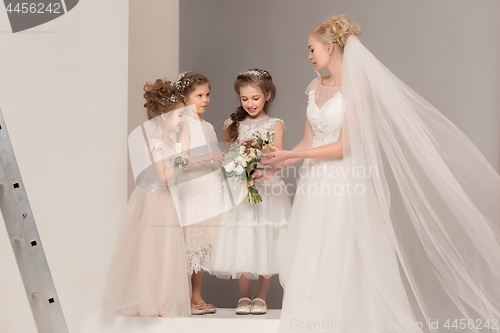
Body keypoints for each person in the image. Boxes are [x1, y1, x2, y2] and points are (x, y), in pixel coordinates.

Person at [257, 15, 500, 332]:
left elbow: (342, 147)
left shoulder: (360, 89)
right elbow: (307, 141)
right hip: (315, 183)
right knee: (315, 254)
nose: (309, 55)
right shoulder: (315, 87)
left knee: (341, 252)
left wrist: (294, 154)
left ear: (330, 47)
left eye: (312, 48)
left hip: (345, 181)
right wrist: (277, 163)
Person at [101, 78, 191, 317]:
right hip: (155, 201)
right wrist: (183, 154)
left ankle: (161, 301)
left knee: (165, 251)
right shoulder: (156, 143)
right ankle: (150, 302)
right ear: (164, 115)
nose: (182, 121)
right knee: (153, 250)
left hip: (166, 200)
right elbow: (164, 176)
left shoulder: (169, 141)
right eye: (179, 115)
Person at [211, 69, 291, 315]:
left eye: (255, 98)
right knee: (242, 237)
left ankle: (261, 296)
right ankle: (244, 296)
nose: (249, 104)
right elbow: (228, 159)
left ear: (267, 95)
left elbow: (278, 159)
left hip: (267, 187)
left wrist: (260, 150)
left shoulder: (275, 125)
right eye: (244, 99)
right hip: (239, 187)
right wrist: (238, 160)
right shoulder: (231, 124)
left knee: (266, 235)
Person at [175, 71, 225, 315]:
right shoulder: (182, 124)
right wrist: (209, 157)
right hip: (192, 188)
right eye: (198, 95)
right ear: (185, 99)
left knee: (202, 244)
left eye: (207, 95)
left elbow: (215, 158)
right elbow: (180, 160)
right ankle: (183, 298)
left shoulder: (208, 126)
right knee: (189, 244)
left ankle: (197, 295)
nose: (204, 100)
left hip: (209, 187)